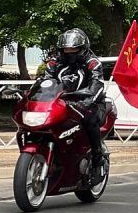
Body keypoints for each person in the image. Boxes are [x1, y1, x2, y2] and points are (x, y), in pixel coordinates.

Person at [44, 28, 105, 167]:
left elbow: (98, 84)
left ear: (83, 48)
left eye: (74, 50)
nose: (70, 53)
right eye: (66, 50)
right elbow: (44, 83)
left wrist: (88, 101)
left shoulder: (93, 63)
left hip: (89, 103)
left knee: (89, 119)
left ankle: (97, 156)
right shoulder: (54, 64)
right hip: (61, 103)